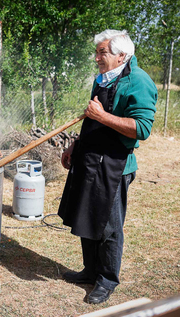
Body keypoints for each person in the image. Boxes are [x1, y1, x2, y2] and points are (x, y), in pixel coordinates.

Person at [58, 29, 157, 304]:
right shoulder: (103, 77)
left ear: (122, 55)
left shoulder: (139, 81)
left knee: (110, 227)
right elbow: (92, 118)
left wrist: (104, 116)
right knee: (87, 215)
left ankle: (107, 280)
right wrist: (75, 145)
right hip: (89, 158)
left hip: (115, 164)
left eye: (103, 53)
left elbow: (142, 128)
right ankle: (90, 271)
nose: (97, 58)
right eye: (98, 52)